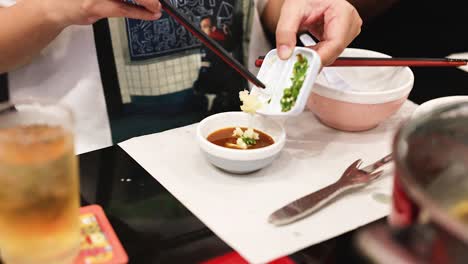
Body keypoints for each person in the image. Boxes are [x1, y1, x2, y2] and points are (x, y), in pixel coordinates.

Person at [0, 0, 362, 154]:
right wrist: (56, 7)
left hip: (253, 141)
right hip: (84, 165)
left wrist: (305, 9)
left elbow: (266, 7)